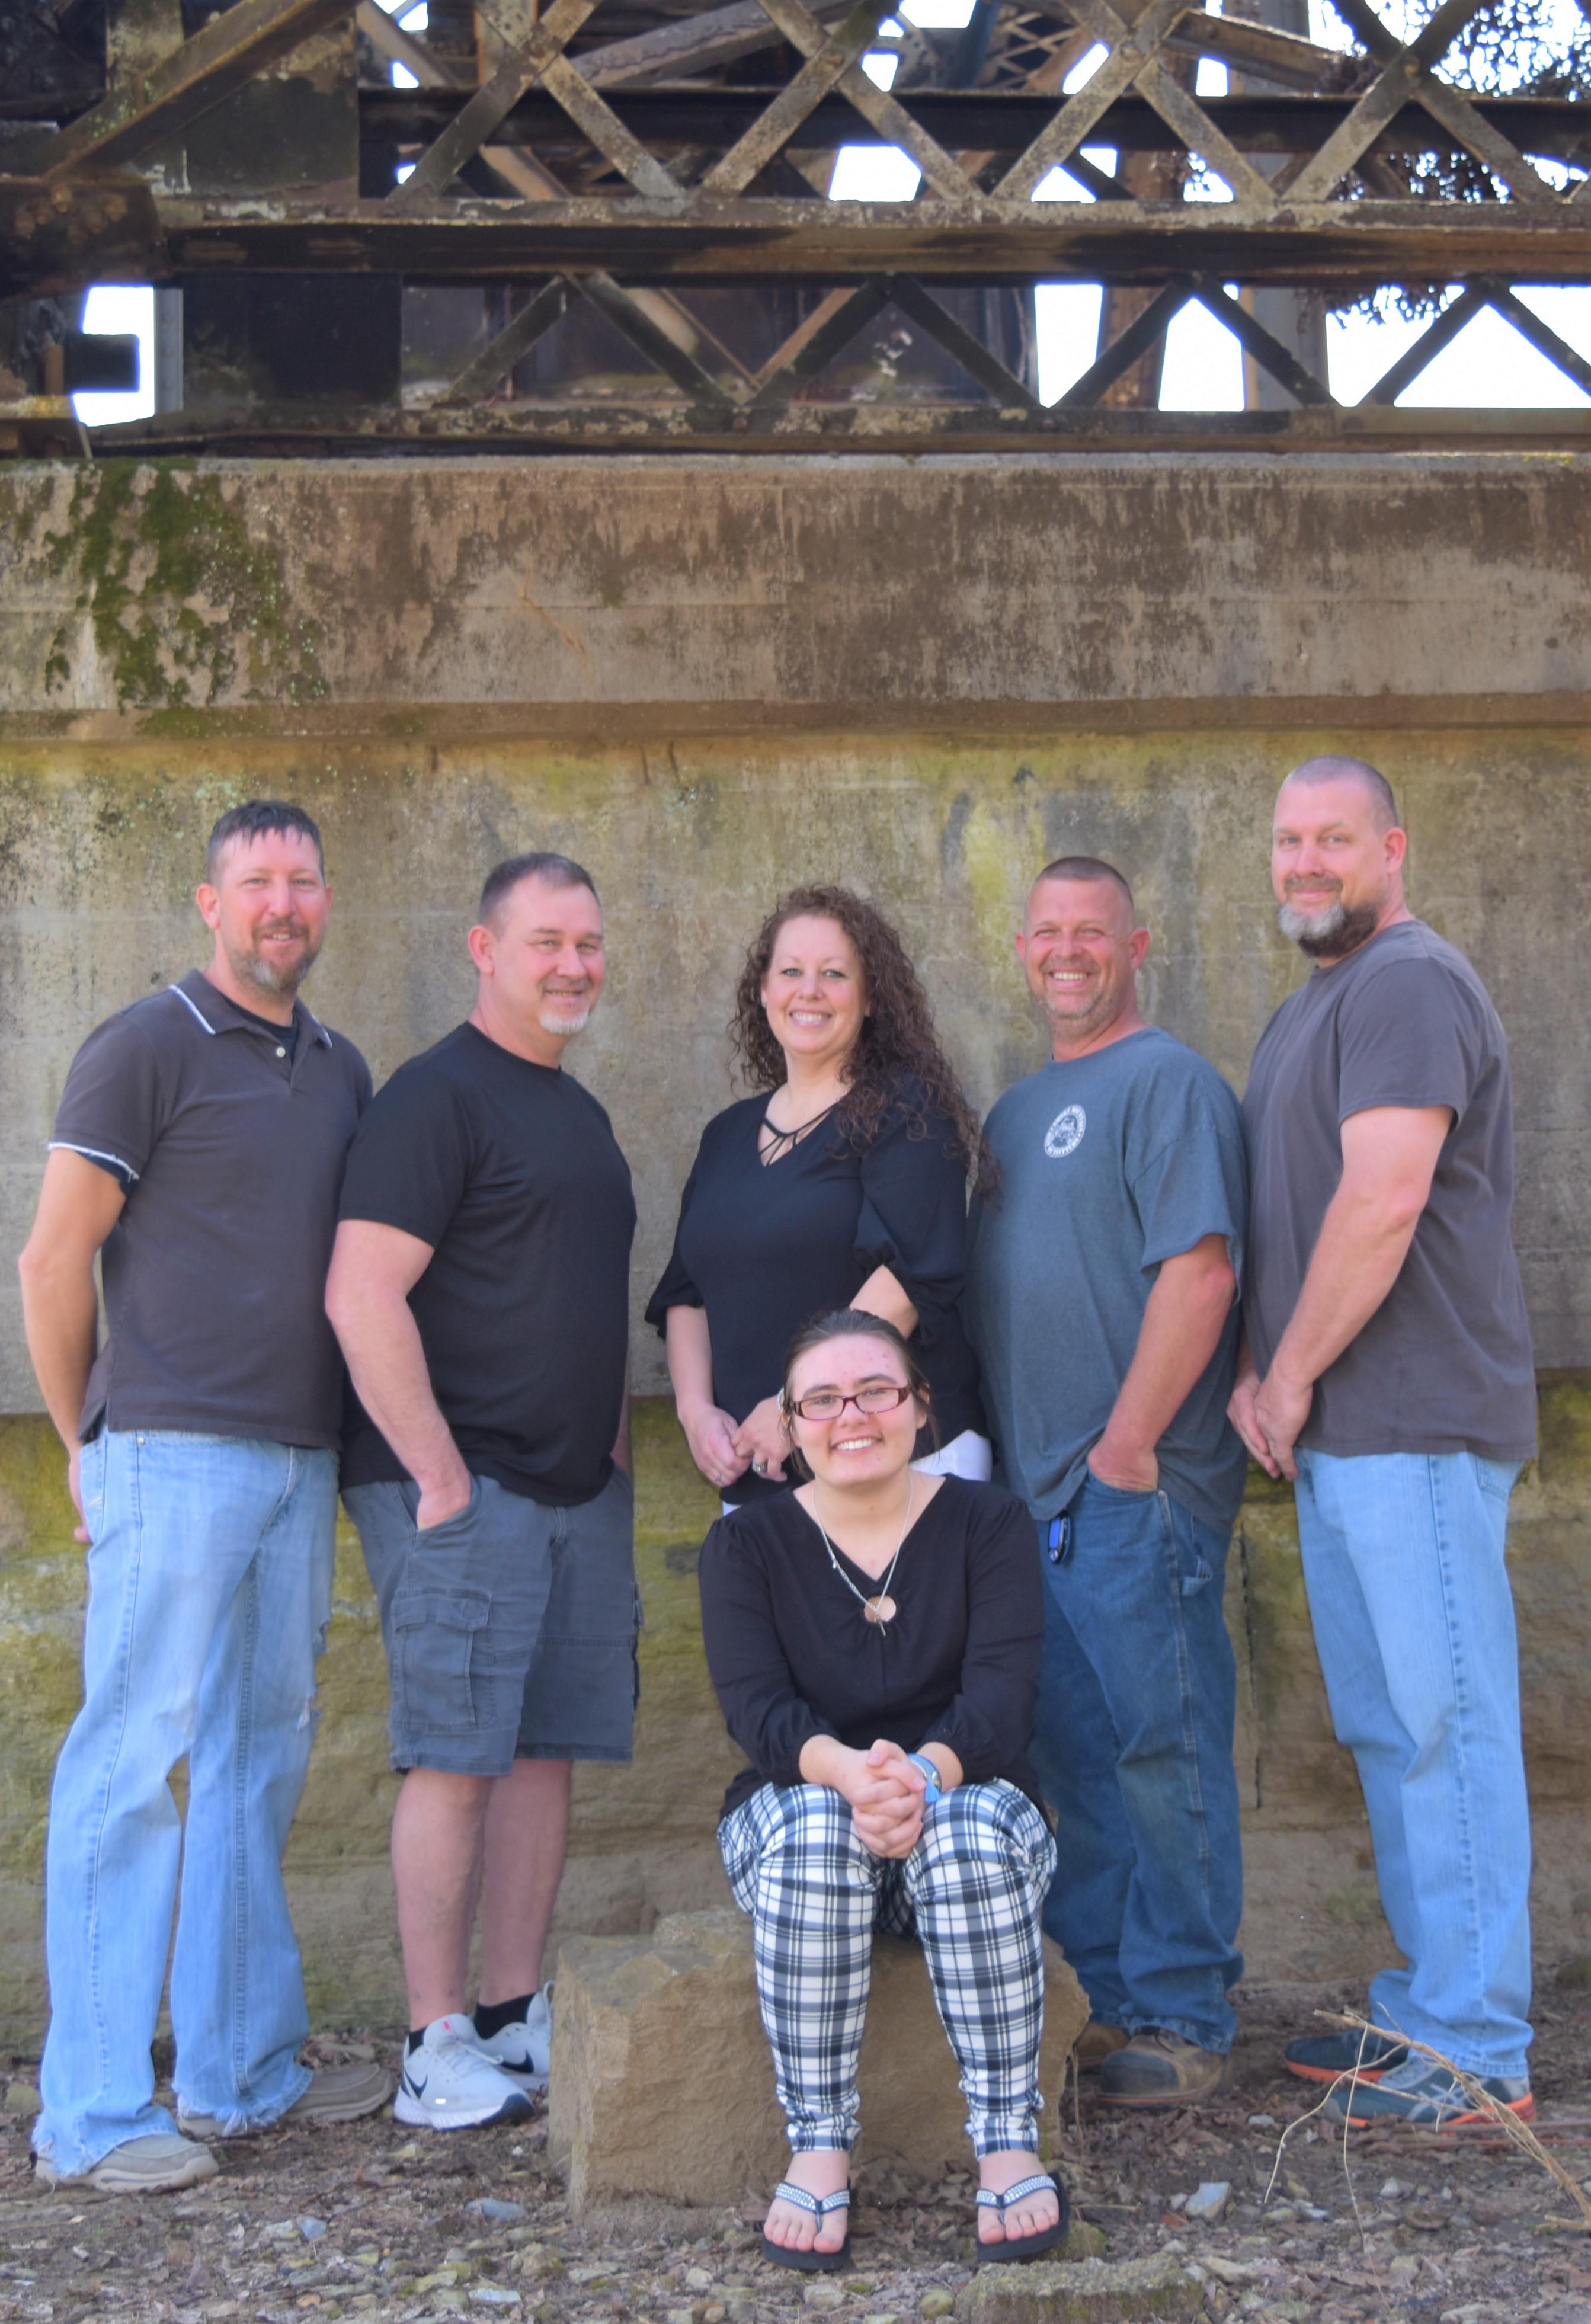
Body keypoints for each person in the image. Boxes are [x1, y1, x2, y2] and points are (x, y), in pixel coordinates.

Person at [17, 800, 390, 2194]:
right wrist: (80, 1441)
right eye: (255, 882)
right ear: (207, 901)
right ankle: (97, 2114)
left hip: (298, 1456)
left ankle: (240, 2073)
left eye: (302, 879)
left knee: (259, 1757)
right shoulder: (144, 1044)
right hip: (168, 1449)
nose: (280, 902)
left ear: (325, 899)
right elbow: (54, 1262)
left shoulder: (340, 1065)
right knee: (129, 1766)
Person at [1231, 757, 1538, 2129]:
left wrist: (1285, 1373)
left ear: (1390, 847)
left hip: (1408, 1415)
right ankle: (1429, 2008)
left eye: (1332, 838)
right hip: (1349, 1430)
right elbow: (1295, 1215)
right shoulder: (1316, 1005)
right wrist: (1263, 1368)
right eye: (1288, 839)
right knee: (1387, 1725)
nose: (1305, 861)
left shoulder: (1406, 982)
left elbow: (1383, 1195)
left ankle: (1475, 2044)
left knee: (1441, 1725)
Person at [326, 851, 637, 2133]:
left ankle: (511, 2015)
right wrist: (439, 1473)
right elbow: (360, 1291)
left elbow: (582, 1295)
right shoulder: (432, 1097)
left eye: (588, 942)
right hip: (465, 1491)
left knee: (542, 1753)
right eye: (546, 940)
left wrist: (611, 1442)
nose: (572, 964)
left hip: (573, 1493)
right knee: (454, 1758)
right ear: (484, 947)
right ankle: (431, 2040)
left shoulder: (578, 1110)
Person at [964, 856, 1247, 2109]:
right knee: (1071, 1757)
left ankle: (1182, 2011)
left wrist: (1126, 1446)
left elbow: (1198, 1271)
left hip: (1133, 1486)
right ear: (1020, 949)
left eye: (1092, 931)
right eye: (1047, 933)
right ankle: (1093, 2003)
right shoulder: (1016, 1111)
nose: (1067, 951)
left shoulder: (1168, 1081)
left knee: (1158, 1747)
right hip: (1034, 1502)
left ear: (1135, 943)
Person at [699, 1309, 1065, 2271]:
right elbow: (760, 1716)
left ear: (920, 1405)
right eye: (821, 1399)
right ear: (788, 1420)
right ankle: (818, 2147)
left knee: (970, 1834)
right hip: (805, 1804)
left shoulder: (990, 1522)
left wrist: (918, 1777)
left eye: (876, 1390)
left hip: (963, 1795)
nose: (850, 1415)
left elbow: (1001, 1700)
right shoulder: (746, 1545)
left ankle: (1005, 2141)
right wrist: (855, 1775)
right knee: (821, 1833)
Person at [648, 885, 990, 1507]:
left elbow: (910, 1277)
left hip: (896, 1467)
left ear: (869, 1000)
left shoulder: (908, 1111)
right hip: (761, 1476)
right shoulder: (725, 1135)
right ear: (764, 990)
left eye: (834, 974)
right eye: (791, 972)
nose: (809, 990)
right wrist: (697, 1415)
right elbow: (686, 1293)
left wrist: (792, 1409)